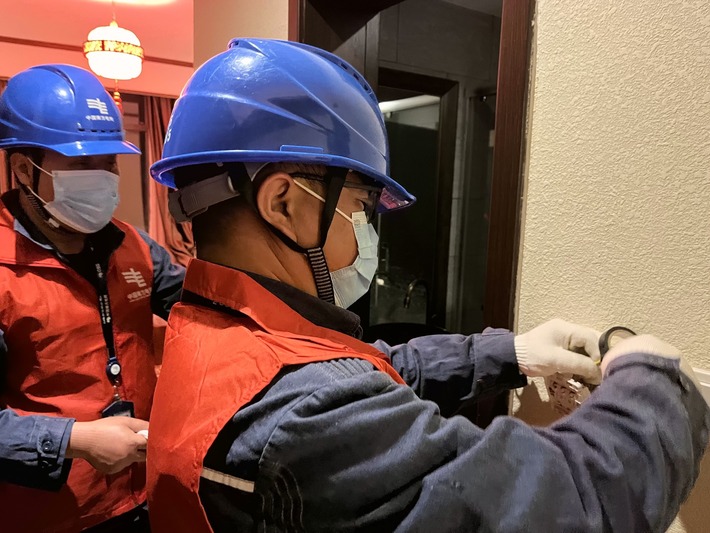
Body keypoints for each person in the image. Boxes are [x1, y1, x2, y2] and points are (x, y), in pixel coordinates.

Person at [146, 39, 709, 533]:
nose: (367, 233)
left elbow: (366, 367)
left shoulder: (210, 331)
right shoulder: (305, 415)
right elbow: (570, 502)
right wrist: (651, 378)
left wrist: (509, 353)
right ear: (283, 203)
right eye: (362, 207)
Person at [0, 64, 185, 533]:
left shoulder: (134, 245)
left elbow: (203, 306)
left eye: (108, 163)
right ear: (23, 170)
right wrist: (74, 440)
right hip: (49, 513)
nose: (102, 178)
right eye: (82, 165)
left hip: (141, 492)